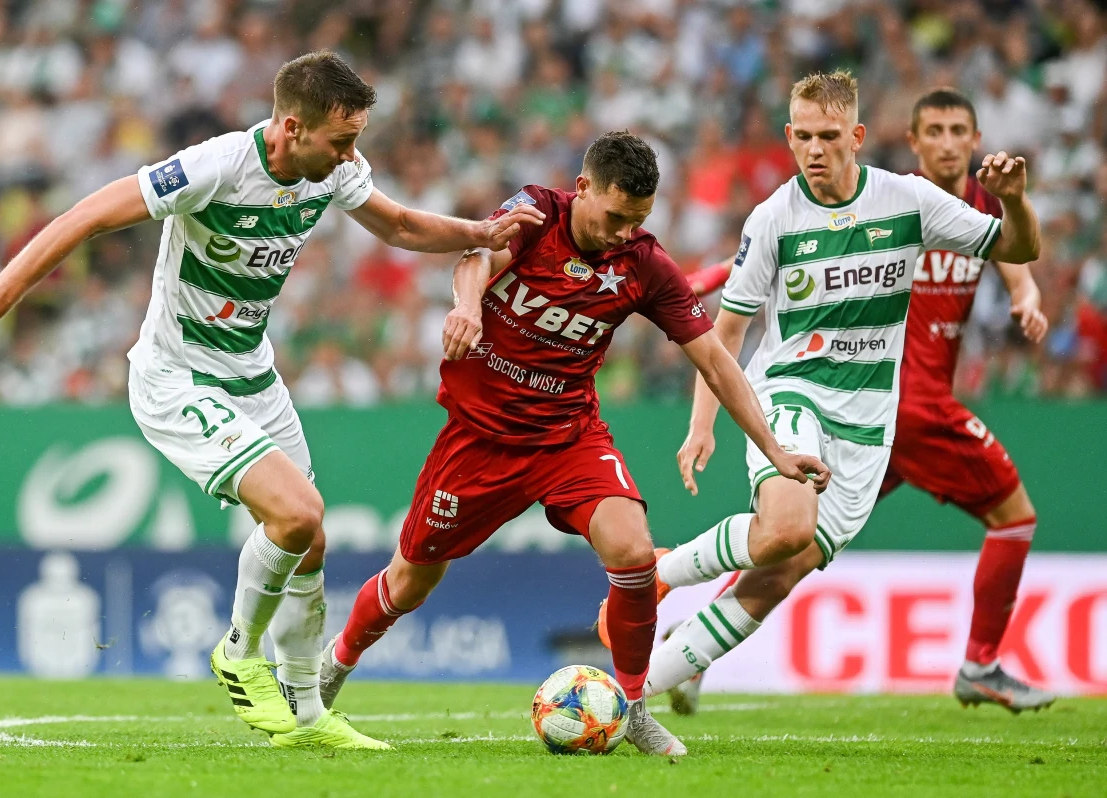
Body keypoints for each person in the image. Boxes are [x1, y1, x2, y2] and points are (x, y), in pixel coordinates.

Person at [0, 50, 543, 750]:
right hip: (176, 377)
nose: (351, 155)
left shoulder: (334, 169)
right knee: (298, 513)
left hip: (253, 377)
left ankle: (308, 717)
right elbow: (89, 215)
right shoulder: (214, 166)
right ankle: (238, 651)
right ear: (290, 126)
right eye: (340, 140)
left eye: (356, 140)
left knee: (311, 541)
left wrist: (478, 235)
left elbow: (398, 225)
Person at [315, 131, 831, 757]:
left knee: (634, 552)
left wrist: (776, 453)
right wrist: (469, 308)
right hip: (480, 439)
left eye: (636, 220)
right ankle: (334, 665)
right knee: (411, 581)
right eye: (615, 216)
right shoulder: (534, 213)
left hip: (569, 437)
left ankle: (634, 706)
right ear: (583, 188)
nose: (622, 232)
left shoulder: (644, 264)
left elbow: (718, 363)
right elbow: (476, 254)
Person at [609, 71, 1040, 712]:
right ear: (789, 136)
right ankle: (652, 576)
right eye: (803, 136)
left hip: (868, 428)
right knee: (785, 525)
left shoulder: (908, 200)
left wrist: (1015, 202)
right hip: (790, 395)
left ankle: (627, 700)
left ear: (857, 136)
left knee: (781, 569)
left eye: (829, 136)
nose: (814, 149)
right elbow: (722, 332)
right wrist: (703, 423)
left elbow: (1017, 245)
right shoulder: (774, 217)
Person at [880, 88, 1053, 712]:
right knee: (1016, 516)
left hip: (886, 417)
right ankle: (980, 663)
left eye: (959, 129)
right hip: (913, 403)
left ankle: (692, 642)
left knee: (797, 538)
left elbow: (1011, 252)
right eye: (936, 130)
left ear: (976, 139)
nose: (949, 141)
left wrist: (1026, 294)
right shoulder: (893, 200)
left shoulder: (983, 204)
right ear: (914, 140)